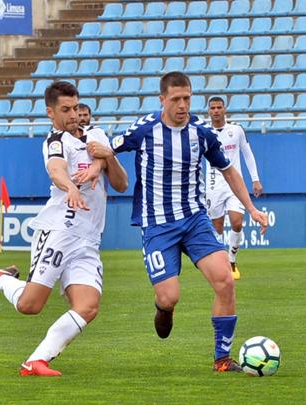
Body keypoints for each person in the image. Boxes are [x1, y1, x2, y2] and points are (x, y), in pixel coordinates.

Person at [88, 72, 268, 373]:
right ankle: (164, 309)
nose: (183, 105)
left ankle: (222, 359)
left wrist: (251, 208)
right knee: (169, 297)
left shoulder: (201, 132)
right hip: (158, 225)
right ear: (163, 99)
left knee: (225, 281)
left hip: (195, 220)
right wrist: (96, 166)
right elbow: (110, 149)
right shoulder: (144, 129)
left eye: (187, 98)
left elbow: (229, 171)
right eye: (176, 99)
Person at [0, 81, 128, 377]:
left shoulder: (97, 135)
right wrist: (71, 188)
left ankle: (36, 360)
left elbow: (122, 184)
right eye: (66, 109)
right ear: (51, 112)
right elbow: (56, 169)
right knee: (30, 306)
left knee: (88, 307)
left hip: (88, 239)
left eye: (76, 107)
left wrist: (106, 159)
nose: (74, 114)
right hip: (59, 231)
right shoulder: (55, 141)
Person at [206, 97, 263, 280]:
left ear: (225, 109)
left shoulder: (236, 130)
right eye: (212, 108)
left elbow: (247, 153)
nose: (216, 111)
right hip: (214, 185)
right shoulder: (204, 132)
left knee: (237, 222)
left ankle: (231, 260)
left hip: (235, 183)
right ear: (209, 111)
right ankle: (219, 262)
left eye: (219, 107)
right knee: (217, 227)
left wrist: (255, 179)